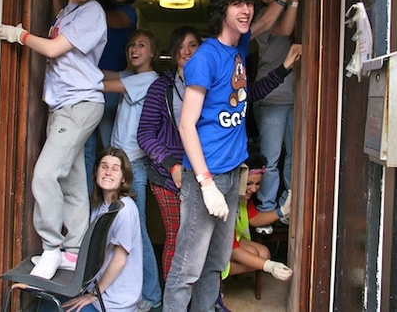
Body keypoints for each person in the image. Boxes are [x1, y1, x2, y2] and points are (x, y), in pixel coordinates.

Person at [162, 0, 306, 311]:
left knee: (214, 266)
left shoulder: (238, 49)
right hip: (206, 179)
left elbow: (269, 22)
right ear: (221, 12)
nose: (246, 10)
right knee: (187, 268)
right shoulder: (205, 58)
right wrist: (206, 182)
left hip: (232, 175)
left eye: (249, 3)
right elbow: (186, 125)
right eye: (237, 4)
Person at [137, 25, 301, 284]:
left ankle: (209, 298)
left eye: (192, 45)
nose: (186, 51)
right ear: (173, 53)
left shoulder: (215, 80)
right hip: (168, 178)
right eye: (180, 47)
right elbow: (145, 134)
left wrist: (284, 68)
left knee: (211, 243)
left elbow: (251, 94)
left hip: (207, 174)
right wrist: (171, 165)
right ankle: (175, 304)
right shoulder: (161, 88)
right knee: (179, 242)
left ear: (202, 49)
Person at [0, 0, 108, 279]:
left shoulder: (93, 12)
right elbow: (63, 22)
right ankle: (73, 252)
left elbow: (55, 47)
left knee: (45, 176)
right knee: (72, 184)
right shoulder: (70, 11)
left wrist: (19, 35)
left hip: (79, 104)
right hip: (66, 106)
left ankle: (50, 248)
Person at [48, 0, 140, 194]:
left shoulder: (126, 12)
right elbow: (65, 21)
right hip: (82, 86)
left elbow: (83, 18)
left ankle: (116, 201)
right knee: (84, 151)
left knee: (113, 149)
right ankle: (90, 203)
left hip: (107, 90)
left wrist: (74, 0)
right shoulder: (86, 10)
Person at [250, 0, 310, 234]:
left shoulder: (291, 9)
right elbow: (286, 30)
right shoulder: (263, 16)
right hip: (271, 95)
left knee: (294, 156)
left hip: (296, 95)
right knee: (270, 158)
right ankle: (265, 210)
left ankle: (287, 206)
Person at [103, 30, 162, 312]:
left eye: (141, 45)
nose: (134, 49)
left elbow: (107, 85)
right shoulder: (129, 76)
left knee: (137, 232)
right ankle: (133, 288)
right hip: (122, 164)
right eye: (130, 45)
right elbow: (107, 75)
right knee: (124, 229)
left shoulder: (148, 80)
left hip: (133, 166)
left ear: (152, 53)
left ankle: (152, 293)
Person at [60, 147, 142, 312]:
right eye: (103, 166)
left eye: (115, 169)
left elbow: (119, 260)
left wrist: (94, 294)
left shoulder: (124, 209)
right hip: (100, 291)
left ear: (124, 179)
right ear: (96, 171)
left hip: (115, 301)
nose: (108, 172)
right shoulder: (99, 206)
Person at [221, 142, 293, 283]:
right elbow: (231, 247)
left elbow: (253, 219)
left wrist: (282, 211)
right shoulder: (223, 199)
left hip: (233, 240)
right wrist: (268, 267)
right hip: (219, 245)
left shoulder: (242, 197)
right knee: (256, 256)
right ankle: (213, 277)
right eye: (248, 184)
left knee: (264, 253)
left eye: (257, 184)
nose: (254, 189)